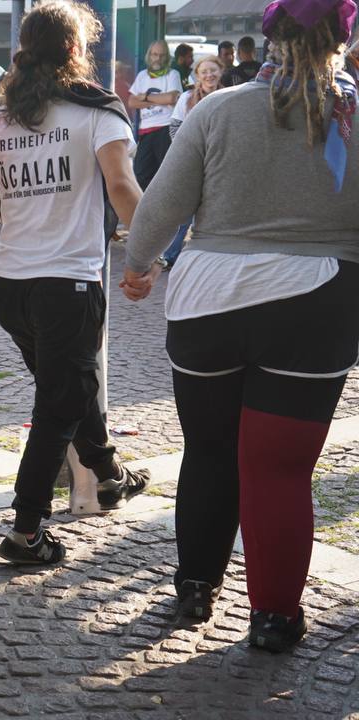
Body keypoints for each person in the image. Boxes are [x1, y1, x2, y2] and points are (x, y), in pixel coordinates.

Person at [122, 0, 359, 653]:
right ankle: (275, 616)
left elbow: (160, 208)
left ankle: (196, 586)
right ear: (342, 41)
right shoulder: (351, 115)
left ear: (268, 37)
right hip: (316, 304)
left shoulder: (218, 109)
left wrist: (138, 266)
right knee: (280, 469)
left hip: (210, 299)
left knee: (208, 450)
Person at [0, 0, 150, 565]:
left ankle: (108, 473)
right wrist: (149, 254)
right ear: (76, 50)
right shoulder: (97, 112)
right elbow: (122, 187)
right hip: (66, 286)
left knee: (69, 387)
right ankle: (26, 531)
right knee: (61, 402)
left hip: (9, 289)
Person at [159, 55, 223, 268]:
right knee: (183, 212)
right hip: (192, 163)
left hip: (218, 164)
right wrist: (187, 153)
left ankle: (207, 258)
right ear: (197, 76)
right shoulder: (186, 98)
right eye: (204, 71)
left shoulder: (230, 96)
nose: (209, 75)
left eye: (213, 70)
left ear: (221, 72)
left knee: (212, 212)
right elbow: (174, 126)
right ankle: (169, 256)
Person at [129, 40, 182, 191]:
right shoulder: (142, 76)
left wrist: (145, 97)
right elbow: (132, 102)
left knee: (166, 175)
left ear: (167, 57)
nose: (158, 58)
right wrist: (160, 99)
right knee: (141, 175)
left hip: (165, 129)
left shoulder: (173, 74)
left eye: (162, 55)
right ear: (149, 56)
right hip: (145, 132)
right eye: (154, 54)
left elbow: (171, 98)